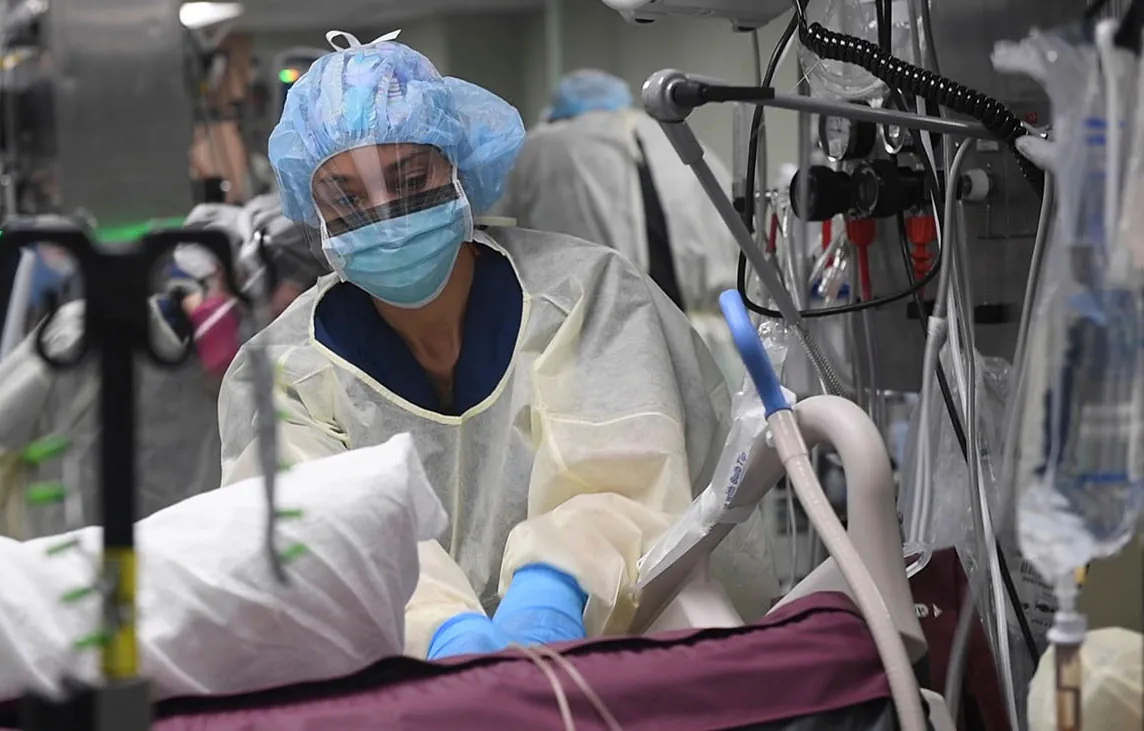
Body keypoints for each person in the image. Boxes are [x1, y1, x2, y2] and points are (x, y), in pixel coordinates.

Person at [219, 31, 776, 660]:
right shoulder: (285, 370)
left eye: (409, 178)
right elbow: (319, 533)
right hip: (395, 678)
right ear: (313, 210)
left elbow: (625, 473)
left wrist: (551, 595)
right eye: (346, 198)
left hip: (619, 659)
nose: (385, 215)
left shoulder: (587, 294)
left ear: (460, 168)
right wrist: (443, 631)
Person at [0, 201, 326, 552]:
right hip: (49, 598)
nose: (268, 330)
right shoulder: (91, 335)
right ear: (224, 270)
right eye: (269, 309)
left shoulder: (266, 395)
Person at [495, 69, 742, 380]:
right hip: (715, 345)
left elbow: (505, 241)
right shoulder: (674, 134)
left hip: (605, 351)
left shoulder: (543, 149)